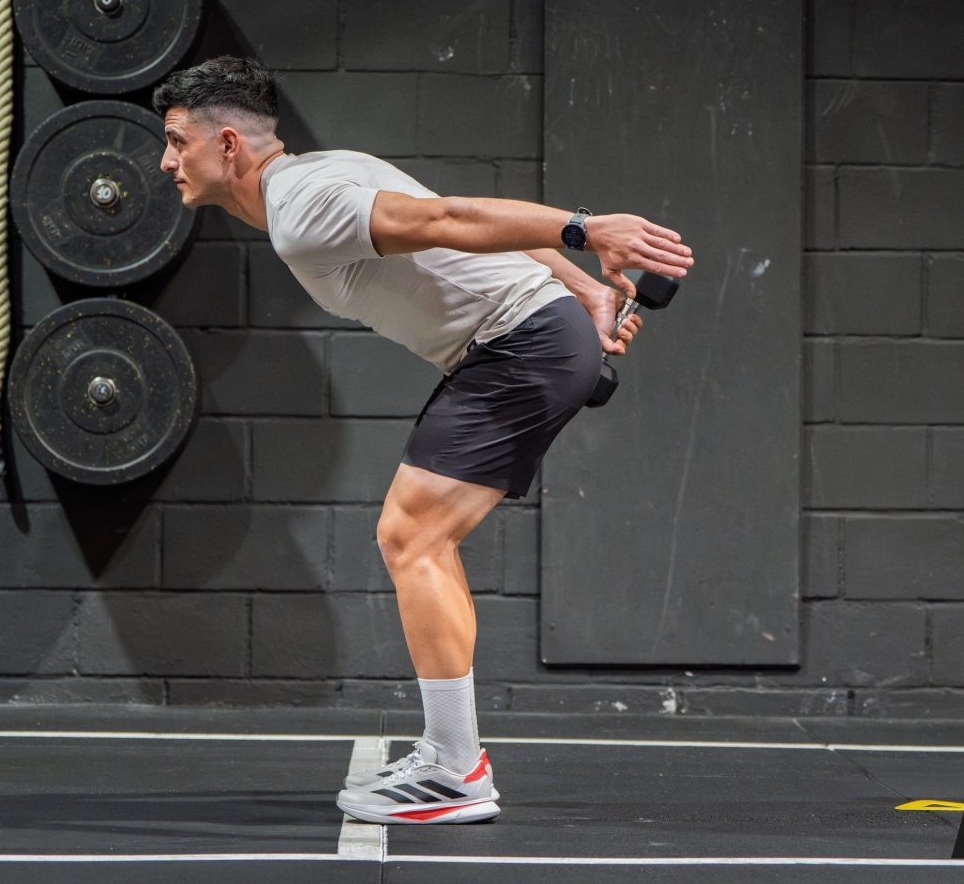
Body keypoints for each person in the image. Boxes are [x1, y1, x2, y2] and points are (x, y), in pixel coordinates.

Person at [154, 57, 692, 825]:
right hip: (527, 337)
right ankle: (452, 755)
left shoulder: (301, 207)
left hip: (520, 345)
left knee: (411, 538)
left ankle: (455, 769)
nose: (165, 160)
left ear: (228, 144)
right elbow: (452, 222)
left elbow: (448, 222)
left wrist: (584, 230)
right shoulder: (325, 172)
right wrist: (584, 290)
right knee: (421, 539)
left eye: (177, 141)